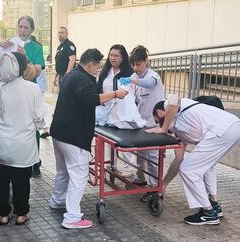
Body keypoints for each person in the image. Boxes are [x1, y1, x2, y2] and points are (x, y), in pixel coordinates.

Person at [49, 49, 128, 229]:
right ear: (90, 64)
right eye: (97, 66)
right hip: (73, 135)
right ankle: (72, 217)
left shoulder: (71, 75)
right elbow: (91, 99)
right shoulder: (83, 79)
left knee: (63, 171)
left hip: (59, 132)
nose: (98, 69)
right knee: (79, 175)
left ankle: (58, 200)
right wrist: (115, 94)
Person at [148, 96, 240, 225]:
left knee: (189, 170)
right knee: (207, 166)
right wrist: (164, 184)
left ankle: (208, 212)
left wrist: (163, 129)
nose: (158, 125)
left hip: (223, 129)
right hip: (233, 128)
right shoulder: (178, 129)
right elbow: (178, 159)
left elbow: (173, 101)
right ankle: (213, 204)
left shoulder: (173, 104)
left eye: (157, 121)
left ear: (160, 113)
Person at [0, 52, 45, 225]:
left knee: (1, 180)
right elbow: (39, 119)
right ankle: (21, 214)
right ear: (23, 67)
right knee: (22, 181)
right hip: (23, 146)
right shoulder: (33, 89)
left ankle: (3, 215)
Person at [0, 15, 45, 177]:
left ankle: (34, 161)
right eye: (20, 26)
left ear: (32, 30)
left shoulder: (35, 48)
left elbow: (38, 70)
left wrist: (25, 57)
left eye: (26, 27)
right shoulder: (9, 43)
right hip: (6, 90)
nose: (23, 30)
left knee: (30, 126)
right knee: (6, 121)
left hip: (26, 90)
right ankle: (4, 157)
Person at [119, 45, 165, 201]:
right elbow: (131, 93)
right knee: (140, 154)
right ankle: (140, 179)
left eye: (138, 64)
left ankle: (155, 189)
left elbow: (147, 84)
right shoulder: (134, 76)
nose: (135, 67)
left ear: (147, 61)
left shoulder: (154, 77)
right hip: (142, 123)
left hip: (154, 124)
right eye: (133, 64)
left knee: (152, 158)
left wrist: (133, 80)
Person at [96, 44, 135, 176]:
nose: (113, 58)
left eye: (116, 55)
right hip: (107, 110)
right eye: (111, 55)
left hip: (123, 111)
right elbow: (99, 90)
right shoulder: (105, 72)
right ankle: (111, 164)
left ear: (123, 57)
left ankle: (128, 167)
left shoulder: (129, 73)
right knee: (109, 139)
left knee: (124, 138)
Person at [54, 27, 76, 91]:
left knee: (66, 95)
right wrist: (55, 76)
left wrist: (67, 75)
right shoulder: (59, 47)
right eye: (59, 33)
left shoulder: (69, 45)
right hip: (60, 75)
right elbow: (59, 62)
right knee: (61, 95)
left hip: (67, 75)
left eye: (62, 33)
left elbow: (72, 60)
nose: (60, 34)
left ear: (67, 34)